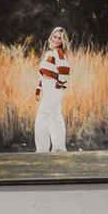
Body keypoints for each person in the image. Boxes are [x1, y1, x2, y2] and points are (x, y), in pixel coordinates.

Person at [34, 25, 72, 154]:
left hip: (54, 91)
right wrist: (38, 90)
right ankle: (59, 149)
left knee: (41, 119)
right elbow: (43, 74)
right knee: (55, 119)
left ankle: (42, 150)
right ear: (51, 37)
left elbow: (65, 75)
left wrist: (54, 78)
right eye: (54, 37)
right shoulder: (50, 53)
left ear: (63, 41)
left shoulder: (59, 53)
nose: (56, 40)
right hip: (49, 91)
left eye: (59, 38)